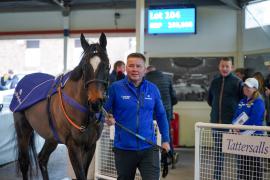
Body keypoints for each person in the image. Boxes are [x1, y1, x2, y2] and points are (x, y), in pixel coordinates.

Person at [104, 53, 170, 180]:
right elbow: (100, 111)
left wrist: (166, 140)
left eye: (138, 66)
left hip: (148, 148)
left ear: (144, 69)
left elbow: (161, 115)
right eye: (131, 66)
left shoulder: (153, 89)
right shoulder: (115, 88)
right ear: (126, 68)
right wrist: (106, 118)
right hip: (124, 149)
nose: (135, 69)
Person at [207, 57, 243, 180]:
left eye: (227, 66)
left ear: (231, 67)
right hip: (216, 124)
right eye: (223, 66)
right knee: (218, 154)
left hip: (233, 126)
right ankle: (217, 177)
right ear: (219, 66)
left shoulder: (238, 82)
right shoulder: (214, 82)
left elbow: (242, 102)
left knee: (238, 154)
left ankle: (241, 177)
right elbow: (210, 100)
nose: (225, 68)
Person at [145, 65, 179, 168]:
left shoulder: (145, 79)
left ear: (147, 70)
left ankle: (153, 160)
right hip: (165, 112)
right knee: (166, 135)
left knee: (151, 135)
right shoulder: (167, 78)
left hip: (150, 112)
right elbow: (174, 98)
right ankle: (171, 159)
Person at [232, 78, 265, 180]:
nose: (245, 88)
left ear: (255, 89)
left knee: (254, 166)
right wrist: (234, 127)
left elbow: (255, 120)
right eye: (244, 86)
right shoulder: (242, 101)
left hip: (254, 139)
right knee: (242, 166)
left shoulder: (259, 102)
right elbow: (235, 116)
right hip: (242, 139)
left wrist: (240, 129)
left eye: (248, 87)